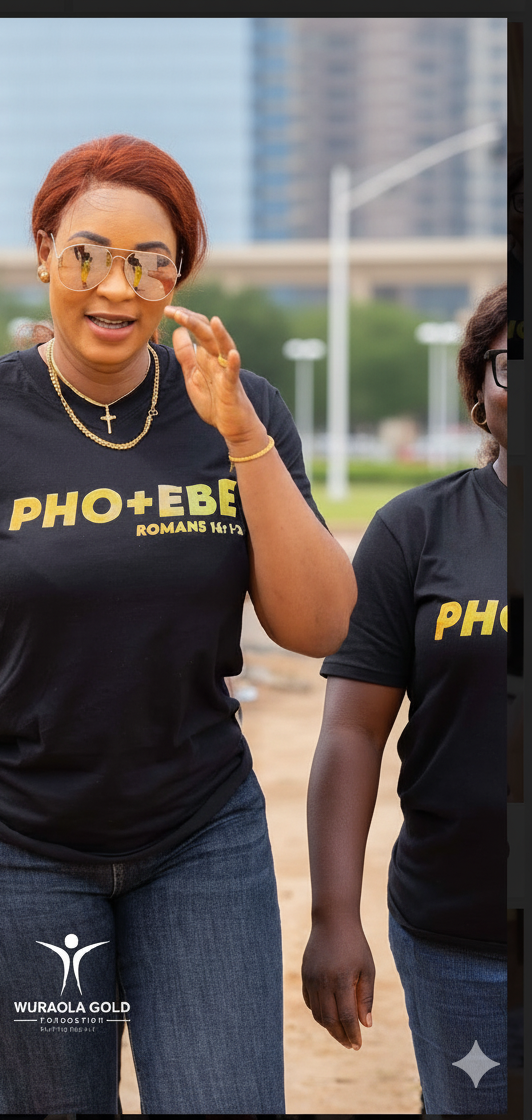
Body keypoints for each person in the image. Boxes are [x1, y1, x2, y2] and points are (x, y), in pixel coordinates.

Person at [0, 134, 356, 1115]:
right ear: (45, 252)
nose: (115, 289)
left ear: (180, 276)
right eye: (87, 255)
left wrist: (242, 437)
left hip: (199, 836)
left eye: (149, 262)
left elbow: (322, 623)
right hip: (8, 850)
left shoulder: (238, 407)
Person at [301, 282, 508, 1115]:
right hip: (463, 938)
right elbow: (352, 733)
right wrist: (333, 916)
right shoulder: (416, 530)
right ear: (479, 390)